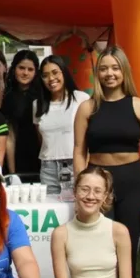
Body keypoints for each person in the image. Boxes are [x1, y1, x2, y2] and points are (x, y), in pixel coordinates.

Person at [72, 46, 140, 278]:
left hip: (133, 181)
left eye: (115, 68)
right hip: (98, 181)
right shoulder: (87, 108)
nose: (110, 74)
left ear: (124, 71)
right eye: (104, 68)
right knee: (100, 241)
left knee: (127, 241)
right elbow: (79, 150)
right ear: (97, 73)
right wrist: (82, 186)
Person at [34, 55, 90, 198]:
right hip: (48, 168)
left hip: (75, 164)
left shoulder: (81, 99)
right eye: (45, 75)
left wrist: (86, 164)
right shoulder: (37, 105)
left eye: (55, 72)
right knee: (51, 212)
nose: (51, 79)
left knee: (78, 208)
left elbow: (90, 135)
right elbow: (41, 138)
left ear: (64, 72)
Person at [3, 50, 42, 176]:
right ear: (14, 69)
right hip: (17, 155)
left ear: (36, 72)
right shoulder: (8, 97)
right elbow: (10, 136)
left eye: (30, 69)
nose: (25, 73)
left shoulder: (43, 95)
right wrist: (12, 172)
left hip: (43, 156)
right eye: (21, 68)